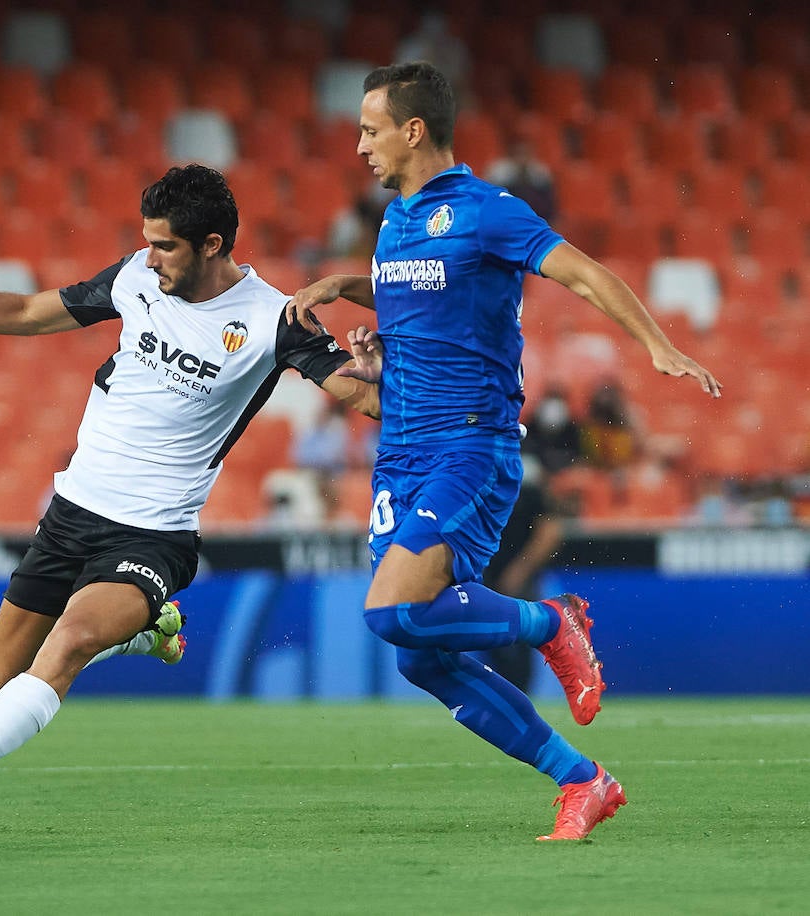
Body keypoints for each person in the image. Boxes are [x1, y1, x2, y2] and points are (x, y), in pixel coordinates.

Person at [0, 164, 383, 821]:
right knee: (3, 674)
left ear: (212, 245)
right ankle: (144, 632)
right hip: (71, 515)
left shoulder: (273, 320)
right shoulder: (134, 277)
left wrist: (388, 370)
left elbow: (363, 399)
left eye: (165, 246)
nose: (150, 257)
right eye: (147, 241)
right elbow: (24, 311)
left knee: (67, 643)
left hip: (153, 534)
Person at [288, 62, 722, 841]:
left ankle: (550, 622)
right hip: (402, 449)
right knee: (418, 656)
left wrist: (656, 345)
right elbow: (412, 295)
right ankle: (583, 780)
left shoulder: (488, 212)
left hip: (469, 444)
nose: (358, 146)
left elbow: (583, 274)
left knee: (391, 612)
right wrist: (346, 291)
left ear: (413, 130)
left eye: (370, 129)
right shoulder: (395, 221)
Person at [482, 454, 567, 692]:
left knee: (519, 636)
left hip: (517, 572)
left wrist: (521, 569)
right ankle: (507, 693)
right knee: (489, 636)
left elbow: (549, 533)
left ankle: (520, 694)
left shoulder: (529, 490)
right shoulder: (485, 485)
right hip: (487, 574)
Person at [485, 137, 557, 222]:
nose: (522, 158)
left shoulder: (540, 170)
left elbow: (548, 203)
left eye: (525, 154)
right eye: (519, 154)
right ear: (511, 155)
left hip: (535, 216)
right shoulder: (498, 170)